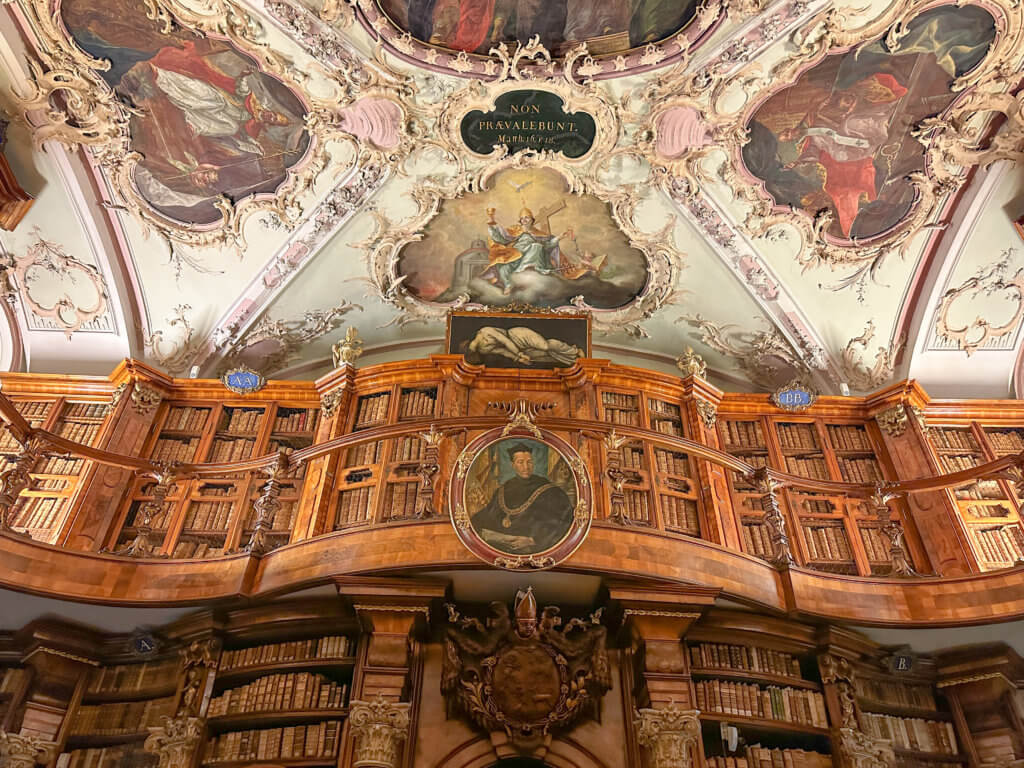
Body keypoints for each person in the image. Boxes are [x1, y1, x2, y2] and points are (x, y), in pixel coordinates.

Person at [470, 443, 574, 554]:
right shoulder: (503, 489)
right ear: (513, 465)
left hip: (533, 550)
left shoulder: (550, 491)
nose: (526, 467)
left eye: (529, 462)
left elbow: (563, 522)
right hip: (501, 549)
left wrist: (533, 540)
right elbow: (488, 514)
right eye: (520, 462)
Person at [481, 207, 571, 295]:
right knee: (503, 267)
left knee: (536, 246)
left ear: (532, 220)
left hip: (531, 255)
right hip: (515, 255)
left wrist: (559, 237)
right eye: (522, 218)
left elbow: (547, 246)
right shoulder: (515, 230)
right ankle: (508, 285)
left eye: (526, 217)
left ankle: (530, 268)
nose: (524, 220)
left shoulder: (539, 234)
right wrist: (492, 223)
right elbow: (501, 238)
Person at [464, 326, 582, 368]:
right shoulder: (483, 350)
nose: (473, 349)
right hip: (516, 350)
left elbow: (506, 342)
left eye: (471, 348)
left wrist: (519, 354)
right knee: (539, 356)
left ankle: (574, 350)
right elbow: (503, 351)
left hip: (517, 336)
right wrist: (519, 359)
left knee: (545, 346)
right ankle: (571, 359)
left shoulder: (485, 331)